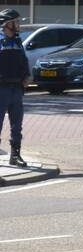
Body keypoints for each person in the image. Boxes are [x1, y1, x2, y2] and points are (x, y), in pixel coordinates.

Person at [0, 9, 30, 168]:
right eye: (16, 22)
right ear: (7, 24)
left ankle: (15, 156)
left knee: (17, 125)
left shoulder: (18, 42)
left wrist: (26, 76)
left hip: (16, 90)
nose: (18, 25)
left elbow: (24, 61)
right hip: (1, 90)